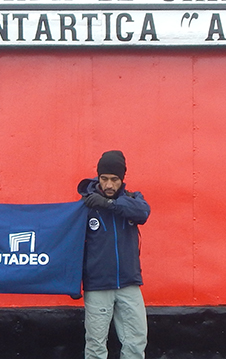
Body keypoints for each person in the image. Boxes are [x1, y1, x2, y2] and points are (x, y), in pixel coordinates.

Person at [76, 150, 151, 359]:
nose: (109, 184)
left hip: (129, 283)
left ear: (122, 179)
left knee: (136, 341)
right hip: (98, 285)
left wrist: (109, 204)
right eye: (104, 178)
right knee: (96, 346)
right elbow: (70, 244)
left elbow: (143, 212)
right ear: (98, 177)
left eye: (115, 179)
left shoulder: (132, 199)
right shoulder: (86, 206)